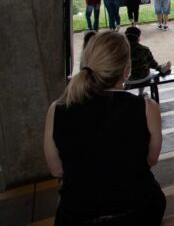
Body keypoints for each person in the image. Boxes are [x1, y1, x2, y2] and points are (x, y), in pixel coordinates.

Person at [44, 31, 165, 224]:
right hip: (138, 212)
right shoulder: (147, 108)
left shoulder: (57, 109)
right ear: (126, 71)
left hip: (76, 216)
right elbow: (151, 159)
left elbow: (56, 170)